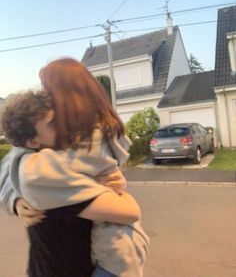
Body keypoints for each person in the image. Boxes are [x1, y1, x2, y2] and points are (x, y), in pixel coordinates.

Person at [1, 59, 149, 277]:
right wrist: (13, 198)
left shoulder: (86, 142)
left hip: (87, 263)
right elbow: (17, 163)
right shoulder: (45, 164)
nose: (46, 99)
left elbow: (18, 163)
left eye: (49, 90)